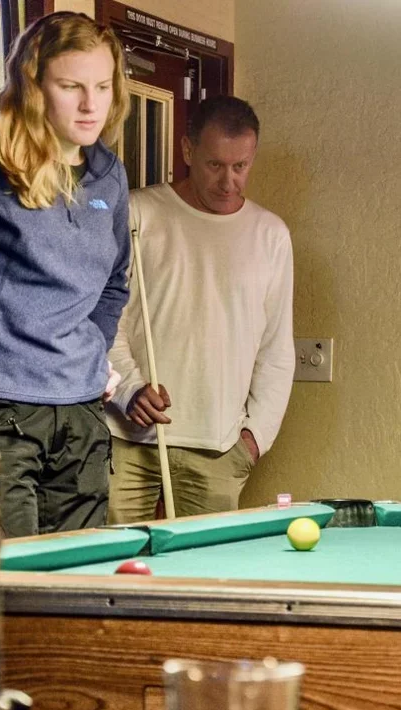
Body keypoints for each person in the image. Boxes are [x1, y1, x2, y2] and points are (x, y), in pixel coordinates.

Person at [0, 12, 130, 542]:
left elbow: (114, 283)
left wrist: (89, 354)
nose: (91, 104)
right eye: (71, 86)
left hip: (82, 418)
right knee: (12, 599)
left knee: (78, 596)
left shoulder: (110, 172)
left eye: (103, 86)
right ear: (33, 85)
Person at [106, 96, 295, 521]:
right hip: (126, 438)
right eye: (215, 165)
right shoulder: (137, 215)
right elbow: (102, 324)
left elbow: (276, 350)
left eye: (240, 166)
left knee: (202, 578)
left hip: (218, 447)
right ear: (189, 151)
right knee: (113, 567)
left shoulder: (271, 235)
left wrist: (254, 437)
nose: (229, 181)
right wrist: (128, 388)